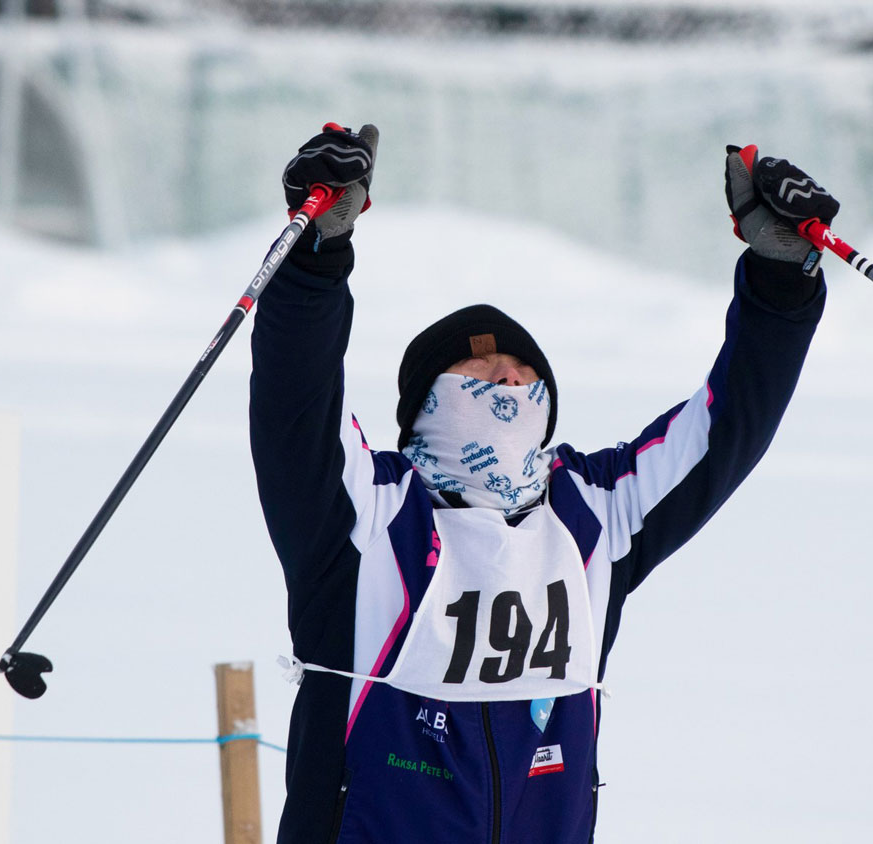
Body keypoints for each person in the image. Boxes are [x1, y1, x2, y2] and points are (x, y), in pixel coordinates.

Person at [249, 122, 837, 843]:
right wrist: (315, 258)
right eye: (478, 366)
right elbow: (297, 402)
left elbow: (725, 430)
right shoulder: (368, 511)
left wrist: (783, 280)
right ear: (423, 406)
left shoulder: (595, 512)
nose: (508, 376)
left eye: (526, 374)